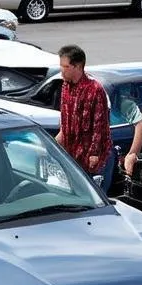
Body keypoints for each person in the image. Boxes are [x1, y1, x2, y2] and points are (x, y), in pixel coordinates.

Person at [55, 45, 114, 188]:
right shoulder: (65, 87)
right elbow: (66, 120)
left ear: (77, 66)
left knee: (96, 200)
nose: (61, 70)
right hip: (73, 156)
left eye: (65, 66)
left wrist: (94, 154)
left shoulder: (94, 90)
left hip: (94, 158)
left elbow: (99, 125)